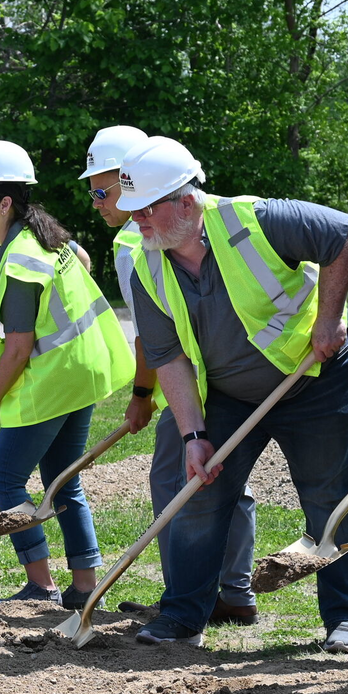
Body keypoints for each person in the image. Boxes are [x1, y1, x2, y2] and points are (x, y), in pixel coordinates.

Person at [120, 137, 348, 648]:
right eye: (132, 211)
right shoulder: (149, 266)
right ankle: (184, 618)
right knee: (201, 496)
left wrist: (328, 318)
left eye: (146, 209)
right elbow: (168, 358)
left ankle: (346, 618)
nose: (137, 221)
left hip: (314, 379)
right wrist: (192, 434)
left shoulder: (254, 220)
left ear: (185, 202)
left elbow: (345, 233)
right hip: (230, 395)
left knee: (329, 497)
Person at [85, 125, 261, 626]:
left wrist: (143, 394)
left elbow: (151, 337)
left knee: (175, 481)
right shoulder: (182, 225)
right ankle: (233, 587)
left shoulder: (132, 243)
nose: (96, 202)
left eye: (101, 190)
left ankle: (189, 595)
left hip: (190, 386)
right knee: (227, 479)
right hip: (214, 377)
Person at [0, 141, 133, 605]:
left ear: (5, 203)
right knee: (63, 480)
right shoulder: (45, 238)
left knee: (4, 479)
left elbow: (16, 349)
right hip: (79, 375)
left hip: (53, 381)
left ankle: (40, 584)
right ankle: (83, 587)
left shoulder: (21, 258)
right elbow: (82, 260)